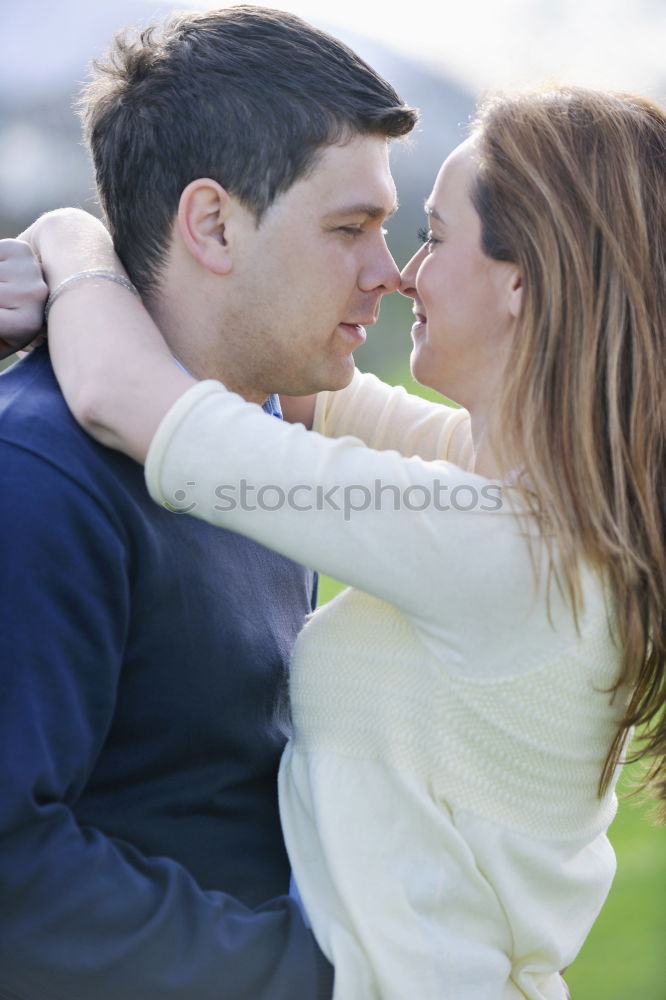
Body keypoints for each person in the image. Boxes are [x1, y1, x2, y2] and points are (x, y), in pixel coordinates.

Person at [24, 84, 666, 1000]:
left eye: (435, 237)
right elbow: (294, 384)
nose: (404, 273)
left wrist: (65, 242)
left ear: (524, 282)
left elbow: (128, 400)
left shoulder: (501, 550)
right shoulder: (533, 500)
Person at [0, 7, 417, 998]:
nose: (388, 273)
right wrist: (315, 972)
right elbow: (13, 866)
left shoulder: (265, 447)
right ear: (214, 224)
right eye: (350, 229)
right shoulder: (38, 473)